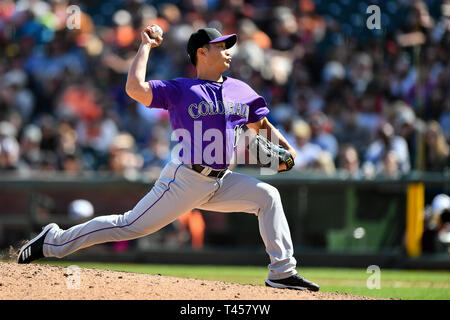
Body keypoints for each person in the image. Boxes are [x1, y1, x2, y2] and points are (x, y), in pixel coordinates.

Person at [17, 25, 319, 291]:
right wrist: (145, 46)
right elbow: (134, 89)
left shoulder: (241, 90)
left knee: (268, 196)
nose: (227, 51)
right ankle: (54, 241)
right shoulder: (180, 89)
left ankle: (281, 273)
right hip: (185, 179)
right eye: (220, 46)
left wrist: (286, 151)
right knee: (128, 226)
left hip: (221, 180)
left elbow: (262, 127)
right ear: (201, 52)